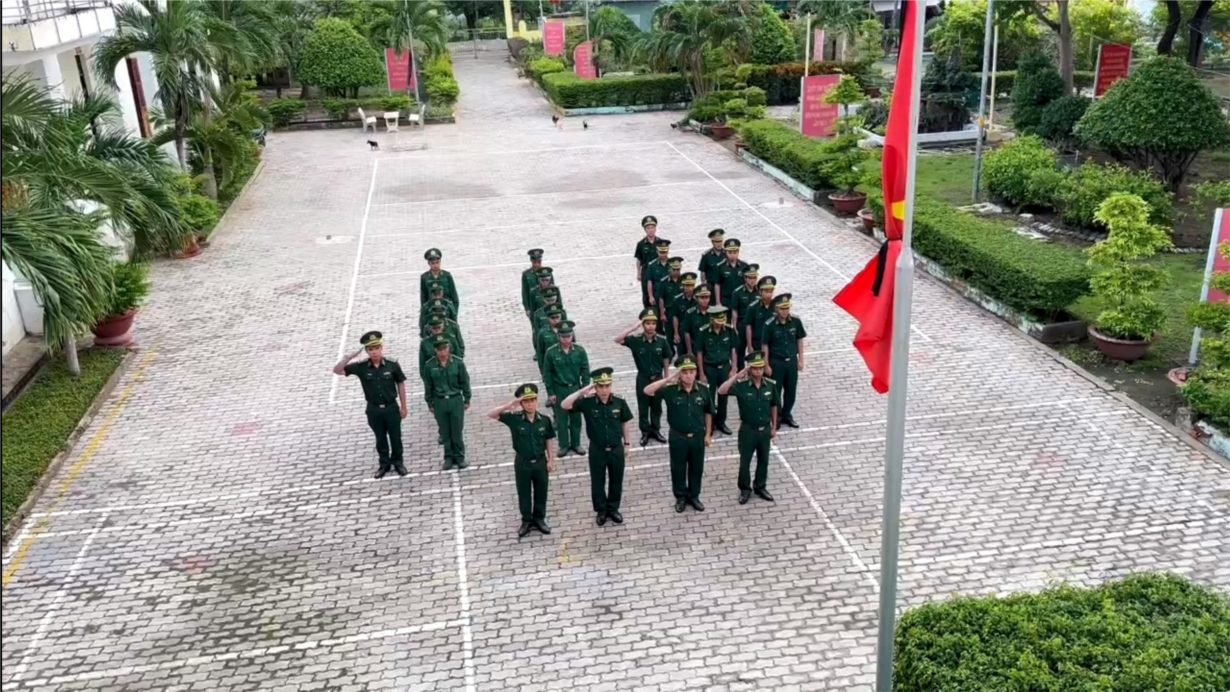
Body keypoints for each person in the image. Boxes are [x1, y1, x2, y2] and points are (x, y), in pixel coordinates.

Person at [563, 368, 634, 526]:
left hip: (616, 448)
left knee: (616, 480)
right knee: (598, 481)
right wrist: (582, 391)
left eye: (607, 386)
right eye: (600, 386)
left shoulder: (619, 401)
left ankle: (613, 508)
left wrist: (627, 444)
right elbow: (565, 404)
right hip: (597, 449)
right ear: (595, 387)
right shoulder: (587, 402)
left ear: (611, 386)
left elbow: (625, 422)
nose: (604, 390)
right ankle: (601, 511)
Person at [333, 331, 408, 478]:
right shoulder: (361, 367)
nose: (374, 352)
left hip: (391, 407)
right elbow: (337, 370)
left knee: (395, 437)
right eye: (371, 349)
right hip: (373, 409)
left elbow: (400, 383)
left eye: (377, 348)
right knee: (380, 438)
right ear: (367, 351)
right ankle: (384, 464)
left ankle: (398, 462)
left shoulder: (392, 364)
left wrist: (404, 406)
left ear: (382, 348)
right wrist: (348, 357)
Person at [644, 355, 713, 513]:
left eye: (691, 371)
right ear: (680, 374)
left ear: (696, 372)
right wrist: (668, 378)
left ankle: (694, 496)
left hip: (697, 436)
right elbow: (647, 390)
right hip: (678, 437)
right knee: (678, 468)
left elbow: (709, 412)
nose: (688, 375)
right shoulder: (670, 390)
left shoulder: (703, 390)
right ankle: (681, 497)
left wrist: (708, 434)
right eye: (684, 372)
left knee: (696, 468)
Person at [490, 384, 557, 538]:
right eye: (526, 401)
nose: (530, 404)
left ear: (537, 401)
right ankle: (526, 520)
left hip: (540, 461)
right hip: (522, 462)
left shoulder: (544, 420)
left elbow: (549, 440)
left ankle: (539, 519)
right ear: (521, 403)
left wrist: (551, 460)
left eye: (532, 400)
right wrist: (510, 405)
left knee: (541, 491)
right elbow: (491, 414)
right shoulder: (514, 419)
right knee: (524, 493)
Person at [718, 353, 778, 504]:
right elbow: (722, 390)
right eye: (755, 368)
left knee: (763, 460)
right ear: (750, 369)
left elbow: (774, 406)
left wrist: (774, 426)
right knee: (745, 461)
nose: (758, 371)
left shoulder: (770, 385)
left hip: (764, 429)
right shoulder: (742, 386)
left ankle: (760, 486)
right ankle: (745, 489)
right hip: (748, 430)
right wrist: (737, 375)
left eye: (760, 368)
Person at [615, 308, 673, 446]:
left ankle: (656, 430)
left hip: (658, 378)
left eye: (653, 323)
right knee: (643, 407)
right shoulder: (636, 341)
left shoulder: (661, 340)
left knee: (657, 406)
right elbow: (617, 339)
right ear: (643, 324)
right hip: (643, 378)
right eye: (647, 323)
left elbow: (666, 358)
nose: (651, 326)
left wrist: (666, 377)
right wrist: (633, 327)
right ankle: (645, 432)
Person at [422, 334, 472, 469]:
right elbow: (428, 385)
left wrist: (467, 398)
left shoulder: (458, 363)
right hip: (440, 401)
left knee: (457, 431)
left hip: (455, 399)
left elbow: (465, 382)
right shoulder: (430, 366)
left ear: (449, 349)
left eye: (445, 349)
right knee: (445, 432)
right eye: (439, 350)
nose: (442, 352)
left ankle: (460, 457)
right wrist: (430, 402)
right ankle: (448, 457)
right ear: (435, 351)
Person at [542, 320, 590, 457]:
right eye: (563, 337)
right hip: (560, 389)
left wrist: (585, 389)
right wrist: (550, 393)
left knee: (576, 418)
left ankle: (576, 444)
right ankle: (563, 445)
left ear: (572, 335)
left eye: (568, 336)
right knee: (562, 420)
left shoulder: (579, 351)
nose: (566, 339)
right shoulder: (551, 353)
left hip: (575, 388)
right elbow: (547, 374)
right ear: (559, 336)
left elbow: (585, 370)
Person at [761, 293, 806, 429]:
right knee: (776, 391)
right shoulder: (769, 324)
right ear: (776, 309)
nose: (785, 311)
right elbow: (765, 344)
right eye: (782, 308)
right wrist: (766, 364)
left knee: (791, 390)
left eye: (787, 308)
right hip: (776, 361)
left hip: (791, 360)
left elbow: (799, 339)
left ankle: (787, 414)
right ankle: (777, 417)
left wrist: (801, 359)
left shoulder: (796, 322)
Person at [697, 306, 737, 436]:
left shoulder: (729, 330)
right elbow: (700, 353)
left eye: (722, 321)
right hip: (709, 368)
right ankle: (710, 424)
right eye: (718, 322)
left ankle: (721, 422)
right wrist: (701, 373)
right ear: (712, 320)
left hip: (724, 367)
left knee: (723, 396)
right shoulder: (703, 332)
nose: (720, 324)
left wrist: (734, 368)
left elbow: (733, 350)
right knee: (709, 397)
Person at [729, 264, 761, 370]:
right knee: (740, 351)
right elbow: (734, 310)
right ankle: (741, 372)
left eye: (754, 278)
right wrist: (734, 327)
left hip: (756, 324)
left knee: (756, 350)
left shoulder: (760, 292)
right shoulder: (737, 292)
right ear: (745, 278)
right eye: (750, 278)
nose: (753, 280)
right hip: (742, 323)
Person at [744, 275, 777, 362]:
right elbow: (749, 327)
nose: (769, 294)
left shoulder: (776, 306)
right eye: (766, 291)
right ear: (760, 291)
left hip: (773, 343)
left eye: (771, 291)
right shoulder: (753, 307)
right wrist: (750, 345)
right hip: (758, 342)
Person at [634, 215, 662, 308]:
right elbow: (639, 259)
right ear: (645, 230)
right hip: (646, 271)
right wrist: (638, 273)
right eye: (648, 228)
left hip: (658, 271)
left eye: (652, 227)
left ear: (655, 228)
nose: (651, 230)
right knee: (646, 293)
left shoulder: (660, 242)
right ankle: (648, 312)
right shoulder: (641, 244)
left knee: (658, 291)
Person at [656, 256, 684, 344]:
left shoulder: (684, 281)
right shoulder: (664, 282)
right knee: (669, 333)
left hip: (682, 310)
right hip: (670, 311)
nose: (676, 272)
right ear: (670, 269)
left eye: (678, 270)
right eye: (674, 269)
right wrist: (662, 314)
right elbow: (661, 298)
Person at [667, 272, 698, 353]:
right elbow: (675, 317)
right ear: (683, 286)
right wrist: (676, 333)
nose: (690, 288)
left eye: (691, 285)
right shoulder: (677, 300)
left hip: (696, 331)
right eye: (687, 286)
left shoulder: (698, 299)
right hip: (682, 330)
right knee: (682, 356)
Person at [715, 238, 750, 308]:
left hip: (741, 300)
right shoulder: (720, 266)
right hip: (726, 300)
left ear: (738, 252)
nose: (732, 255)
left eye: (735, 252)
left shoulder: (744, 266)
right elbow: (717, 285)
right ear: (726, 252)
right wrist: (718, 302)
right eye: (730, 252)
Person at [682, 285, 714, 355]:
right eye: (702, 298)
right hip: (696, 347)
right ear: (696, 298)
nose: (705, 300)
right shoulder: (690, 313)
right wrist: (689, 351)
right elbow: (687, 332)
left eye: (707, 297)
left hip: (712, 348)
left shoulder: (714, 312)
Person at [535, 306, 566, 375]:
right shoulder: (543, 333)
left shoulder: (567, 331)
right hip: (551, 367)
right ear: (548, 318)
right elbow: (540, 354)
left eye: (557, 317)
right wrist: (543, 373)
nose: (555, 320)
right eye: (552, 318)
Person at [644, 239, 673, 309]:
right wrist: (651, 296)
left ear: (668, 251)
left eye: (665, 252)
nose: (663, 254)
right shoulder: (652, 265)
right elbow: (649, 281)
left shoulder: (673, 264)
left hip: (670, 295)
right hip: (657, 295)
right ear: (657, 251)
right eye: (661, 252)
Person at [521, 248, 545, 319]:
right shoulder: (527, 274)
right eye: (535, 261)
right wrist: (527, 308)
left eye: (539, 261)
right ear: (531, 261)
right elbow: (525, 292)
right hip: (533, 304)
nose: (537, 263)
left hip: (545, 303)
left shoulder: (547, 272)